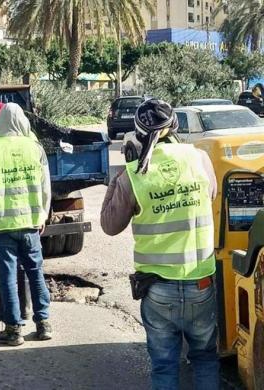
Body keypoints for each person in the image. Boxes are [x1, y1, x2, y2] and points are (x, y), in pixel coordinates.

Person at [101, 99, 219, 390]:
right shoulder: (199, 159)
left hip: (157, 289)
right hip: (200, 282)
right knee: (204, 358)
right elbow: (211, 195)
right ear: (175, 126)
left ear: (138, 132)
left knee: (165, 366)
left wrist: (120, 176)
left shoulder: (134, 174)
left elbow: (109, 225)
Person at [0, 102, 52, 346]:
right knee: (35, 273)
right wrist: (43, 216)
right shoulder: (36, 148)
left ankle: (13, 329)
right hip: (30, 224)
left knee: (7, 276)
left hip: (1, 226)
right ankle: (43, 324)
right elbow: (45, 187)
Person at [0, 101, 32, 322]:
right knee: (30, 268)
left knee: (5, 270)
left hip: (2, 220)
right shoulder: (32, 143)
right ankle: (34, 313)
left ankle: (10, 318)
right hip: (29, 217)